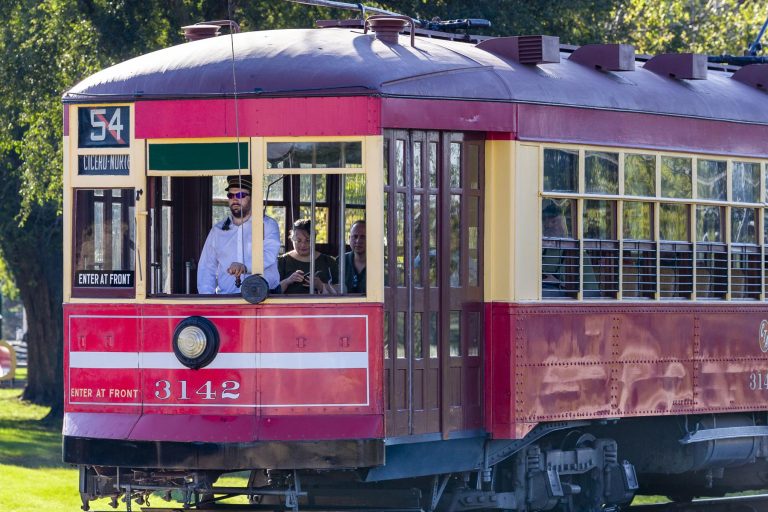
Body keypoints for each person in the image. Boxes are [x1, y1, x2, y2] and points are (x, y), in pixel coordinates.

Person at [197, 175, 280, 294]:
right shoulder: (217, 231)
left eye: (240, 195)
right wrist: (207, 299)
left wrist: (245, 267)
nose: (235, 199)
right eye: (230, 195)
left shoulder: (267, 225)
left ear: (253, 197)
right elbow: (207, 268)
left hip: (265, 296)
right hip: (228, 297)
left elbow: (270, 254)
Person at [278, 219, 338, 294]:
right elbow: (271, 291)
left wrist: (321, 286)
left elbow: (342, 289)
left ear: (314, 239)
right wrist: (287, 281)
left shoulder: (328, 261)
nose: (303, 245)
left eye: (308, 240)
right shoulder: (282, 261)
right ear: (292, 239)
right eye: (298, 241)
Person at [343, 220, 366, 294]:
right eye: (355, 236)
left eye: (363, 237)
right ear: (349, 238)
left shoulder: (381, 264)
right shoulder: (340, 261)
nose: (358, 241)